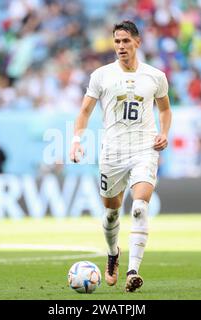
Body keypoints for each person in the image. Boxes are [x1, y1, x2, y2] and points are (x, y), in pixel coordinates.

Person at [70, 21, 172, 292]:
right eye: (117, 41)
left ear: (137, 42)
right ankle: (113, 253)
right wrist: (76, 140)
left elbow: (165, 109)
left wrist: (164, 133)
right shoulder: (101, 75)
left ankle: (133, 271)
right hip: (112, 152)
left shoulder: (155, 76)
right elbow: (84, 112)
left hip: (144, 149)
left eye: (126, 41)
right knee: (112, 214)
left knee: (139, 207)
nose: (120, 46)